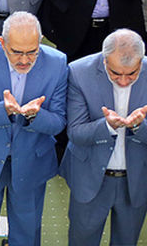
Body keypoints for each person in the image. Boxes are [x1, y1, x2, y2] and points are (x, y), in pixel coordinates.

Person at [0, 11, 67, 246]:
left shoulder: (57, 63)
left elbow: (58, 122)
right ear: (2, 43)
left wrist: (34, 117)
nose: (25, 60)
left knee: (27, 236)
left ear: (40, 43)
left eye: (32, 52)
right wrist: (3, 111)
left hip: (32, 162)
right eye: (17, 52)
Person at [60, 28, 147, 246]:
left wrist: (140, 126)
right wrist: (106, 127)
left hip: (136, 180)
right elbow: (76, 132)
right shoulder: (79, 72)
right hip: (89, 178)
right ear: (104, 60)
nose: (124, 81)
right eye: (116, 74)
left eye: (133, 74)